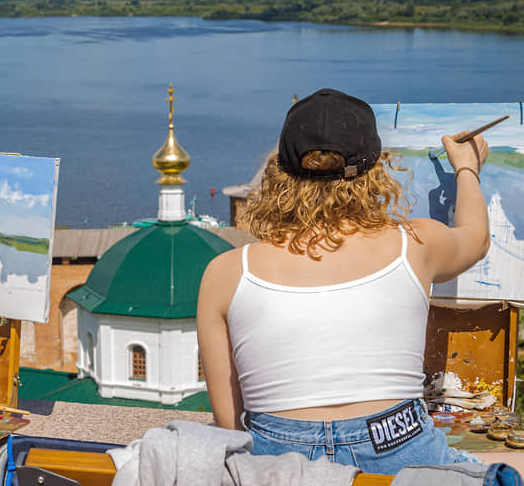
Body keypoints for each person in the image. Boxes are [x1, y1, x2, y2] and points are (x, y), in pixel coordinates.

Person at [198, 88, 491, 474]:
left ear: (279, 172)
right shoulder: (415, 244)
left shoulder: (225, 273)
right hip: (396, 443)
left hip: (279, 461)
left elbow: (230, 423)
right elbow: (476, 237)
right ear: (376, 169)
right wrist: (467, 168)